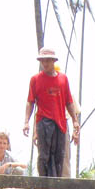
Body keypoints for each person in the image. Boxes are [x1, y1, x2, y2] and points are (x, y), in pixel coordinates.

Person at [23, 47, 80, 177]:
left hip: (60, 122)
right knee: (44, 155)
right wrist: (26, 122)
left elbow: (69, 102)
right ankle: (44, 183)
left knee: (59, 155)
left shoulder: (63, 79)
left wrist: (75, 121)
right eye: (42, 61)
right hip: (44, 121)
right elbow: (30, 101)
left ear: (53, 61)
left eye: (48, 60)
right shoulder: (35, 79)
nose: (45, 64)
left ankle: (57, 184)